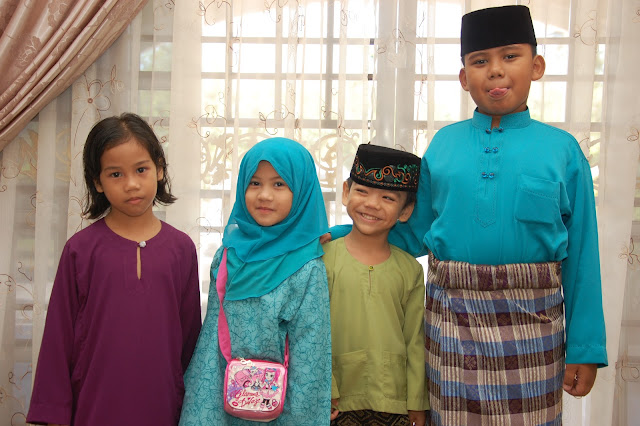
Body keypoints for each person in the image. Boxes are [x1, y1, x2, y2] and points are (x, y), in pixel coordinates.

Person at [329, 5, 607, 426]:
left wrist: (585, 348)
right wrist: (340, 237)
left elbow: (582, 255)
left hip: (534, 329)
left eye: (510, 56)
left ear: (536, 66)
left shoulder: (563, 151)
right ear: (464, 78)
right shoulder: (444, 145)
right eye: (480, 61)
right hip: (451, 327)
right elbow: (410, 231)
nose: (495, 70)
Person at [26, 113, 202, 426]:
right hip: (94, 407)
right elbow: (58, 338)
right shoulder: (80, 250)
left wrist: (194, 408)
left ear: (160, 169)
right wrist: (54, 413)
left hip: (164, 406)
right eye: (116, 174)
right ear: (98, 182)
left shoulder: (181, 249)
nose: (131, 184)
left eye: (141, 169)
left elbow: (190, 341)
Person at [179, 137, 332, 425]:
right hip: (217, 394)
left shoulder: (307, 267)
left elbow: (311, 355)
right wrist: (200, 407)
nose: (264, 195)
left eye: (279, 184)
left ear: (301, 191)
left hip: (279, 406)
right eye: (254, 183)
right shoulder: (227, 255)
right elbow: (211, 337)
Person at [324, 144, 429, 426]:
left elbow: (415, 340)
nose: (372, 204)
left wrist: (417, 402)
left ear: (406, 211)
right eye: (362, 191)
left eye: (387, 197)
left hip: (393, 402)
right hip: (335, 401)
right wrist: (324, 389)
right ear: (346, 193)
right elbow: (312, 332)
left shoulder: (410, 270)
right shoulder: (323, 260)